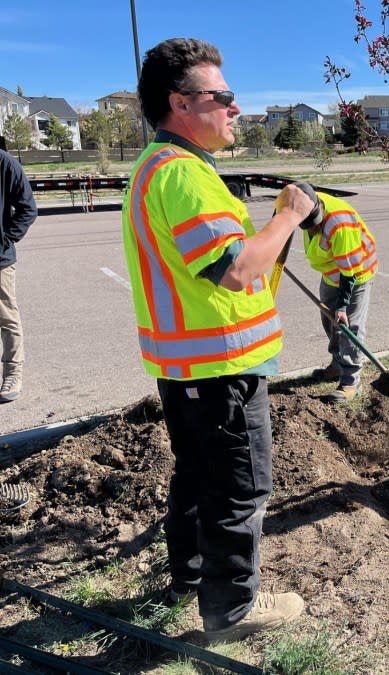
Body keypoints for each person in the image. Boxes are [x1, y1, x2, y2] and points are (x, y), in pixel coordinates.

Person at [121, 37, 314, 642]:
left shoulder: (161, 168)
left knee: (197, 478)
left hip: (190, 371)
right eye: (222, 97)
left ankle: (190, 578)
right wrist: (288, 215)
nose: (235, 108)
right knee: (239, 489)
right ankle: (233, 613)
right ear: (180, 103)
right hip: (221, 369)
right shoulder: (183, 175)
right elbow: (234, 268)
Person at [299, 184, 378, 403]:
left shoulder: (339, 224)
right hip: (330, 272)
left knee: (348, 326)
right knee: (329, 319)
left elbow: (349, 272)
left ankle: (350, 381)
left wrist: (342, 307)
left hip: (354, 273)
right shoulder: (296, 201)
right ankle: (337, 364)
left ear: (318, 210)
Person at [0, 146, 38, 403]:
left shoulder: (6, 164)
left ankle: (13, 372)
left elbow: (27, 209)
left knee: (6, 317)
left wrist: (5, 239)